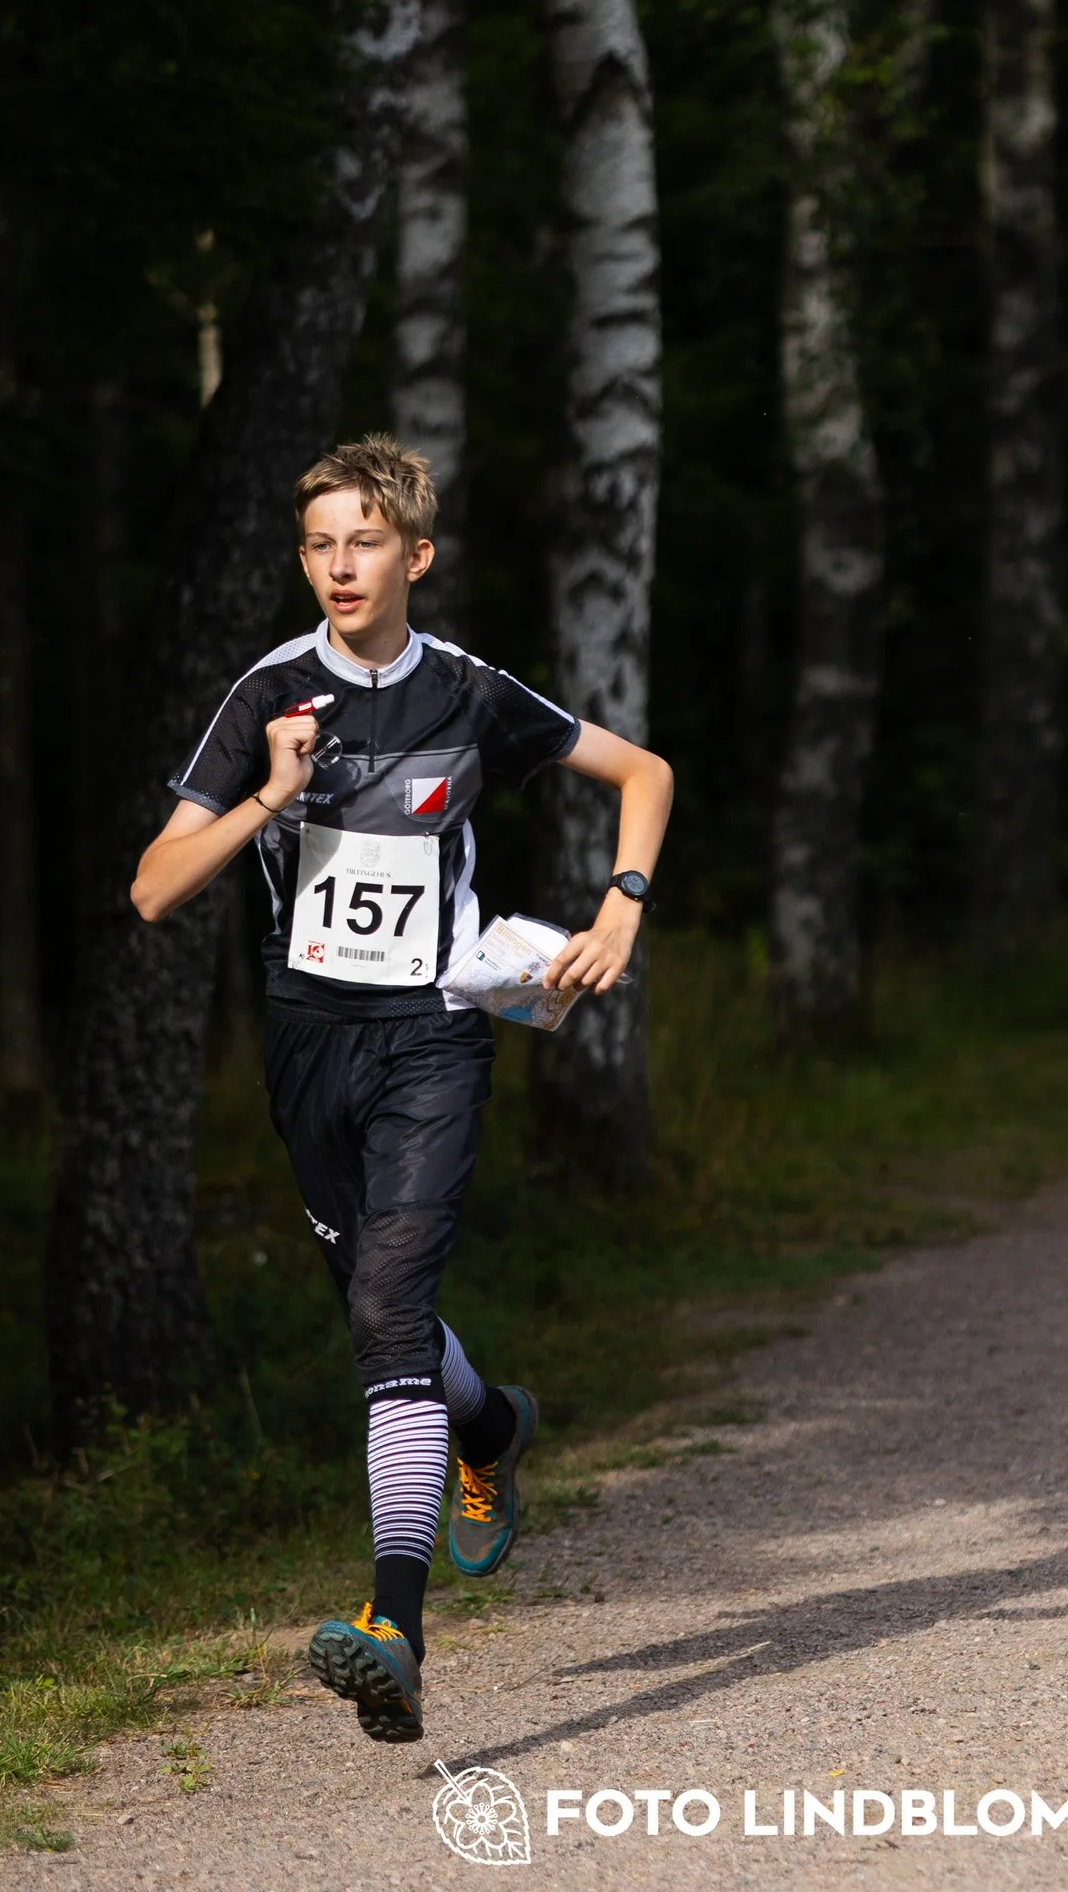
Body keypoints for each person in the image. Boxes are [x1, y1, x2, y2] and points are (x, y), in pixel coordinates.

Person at [129, 435, 672, 1743]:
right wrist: (270, 794)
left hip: (434, 1035)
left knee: (386, 1312)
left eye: (362, 541)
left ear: (414, 555)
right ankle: (487, 1431)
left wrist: (622, 909)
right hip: (309, 1046)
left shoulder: (471, 692)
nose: (338, 566)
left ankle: (394, 1629)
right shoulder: (266, 691)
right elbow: (154, 887)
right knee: (392, 1326)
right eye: (318, 544)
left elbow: (643, 775)